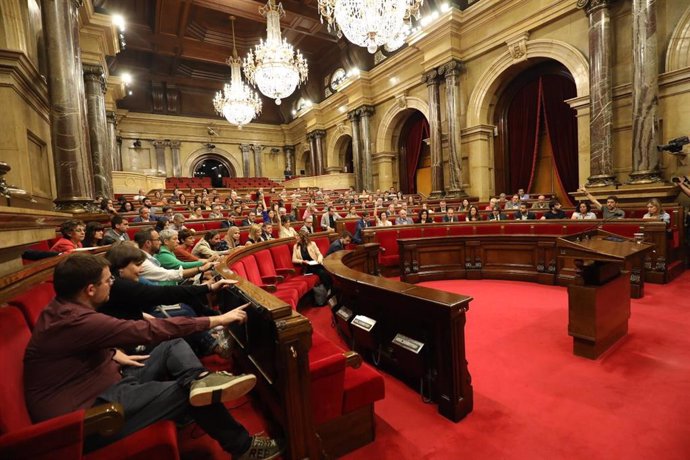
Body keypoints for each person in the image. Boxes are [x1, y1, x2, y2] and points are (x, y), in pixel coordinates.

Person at [23, 253, 282, 459]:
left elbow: (77, 345)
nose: (112, 284)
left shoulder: (62, 309)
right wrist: (217, 319)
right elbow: (147, 330)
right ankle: (244, 447)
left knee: (174, 345)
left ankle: (199, 377)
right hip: (92, 417)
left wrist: (112, 352)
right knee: (190, 394)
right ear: (90, 289)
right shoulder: (75, 319)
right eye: (107, 280)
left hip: (111, 384)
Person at [102, 244, 228, 358]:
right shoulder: (119, 285)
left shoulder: (118, 282)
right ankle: (215, 347)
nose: (140, 270)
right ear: (121, 267)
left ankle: (208, 345)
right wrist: (208, 287)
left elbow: (122, 311)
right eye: (136, 265)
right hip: (131, 342)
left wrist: (142, 315)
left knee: (182, 314)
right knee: (180, 321)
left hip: (135, 329)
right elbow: (162, 293)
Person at [135, 228, 211, 286]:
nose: (160, 242)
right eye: (157, 239)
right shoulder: (159, 255)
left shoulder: (153, 256)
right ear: (148, 243)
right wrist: (200, 267)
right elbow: (173, 271)